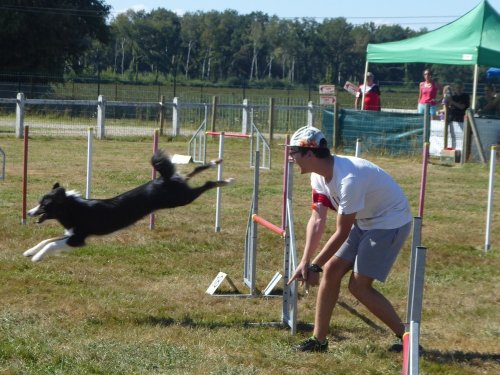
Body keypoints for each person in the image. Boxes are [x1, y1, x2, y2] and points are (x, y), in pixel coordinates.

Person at [288, 125, 412, 353]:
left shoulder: (349, 180)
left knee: (359, 286)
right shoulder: (317, 175)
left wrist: (316, 265)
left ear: (309, 153)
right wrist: (306, 261)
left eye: (293, 152)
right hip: (365, 220)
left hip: (389, 221)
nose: (290, 157)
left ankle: (408, 339)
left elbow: (342, 232)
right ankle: (319, 341)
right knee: (333, 271)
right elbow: (317, 219)